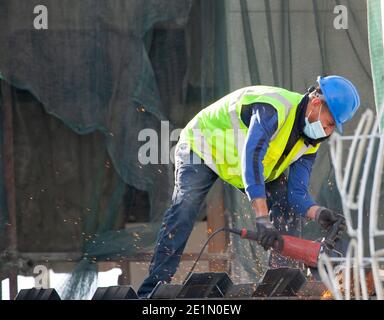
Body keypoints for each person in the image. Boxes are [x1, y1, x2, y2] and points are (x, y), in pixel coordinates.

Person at [137, 75, 360, 298]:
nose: (328, 132)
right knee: (185, 206)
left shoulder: (310, 143)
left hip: (244, 166)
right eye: (330, 123)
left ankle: (280, 286)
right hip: (201, 146)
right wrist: (262, 219)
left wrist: (318, 213)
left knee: (284, 206)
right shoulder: (274, 108)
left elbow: (296, 194)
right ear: (316, 103)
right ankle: (152, 289)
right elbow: (252, 159)